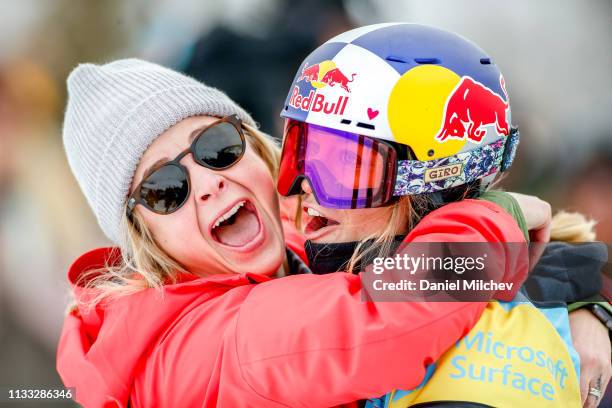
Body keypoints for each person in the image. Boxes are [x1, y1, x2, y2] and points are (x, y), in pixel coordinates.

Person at [56, 59, 529, 407]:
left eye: (216, 146)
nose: (207, 183)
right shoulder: (210, 344)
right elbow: (392, 313)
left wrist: (589, 308)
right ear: (146, 240)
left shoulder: (304, 236)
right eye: (165, 189)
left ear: (257, 150)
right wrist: (498, 213)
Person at [276, 23, 611, 407]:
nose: (306, 185)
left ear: (427, 184)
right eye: (303, 152)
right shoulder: (292, 260)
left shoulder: (485, 356)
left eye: (348, 164)